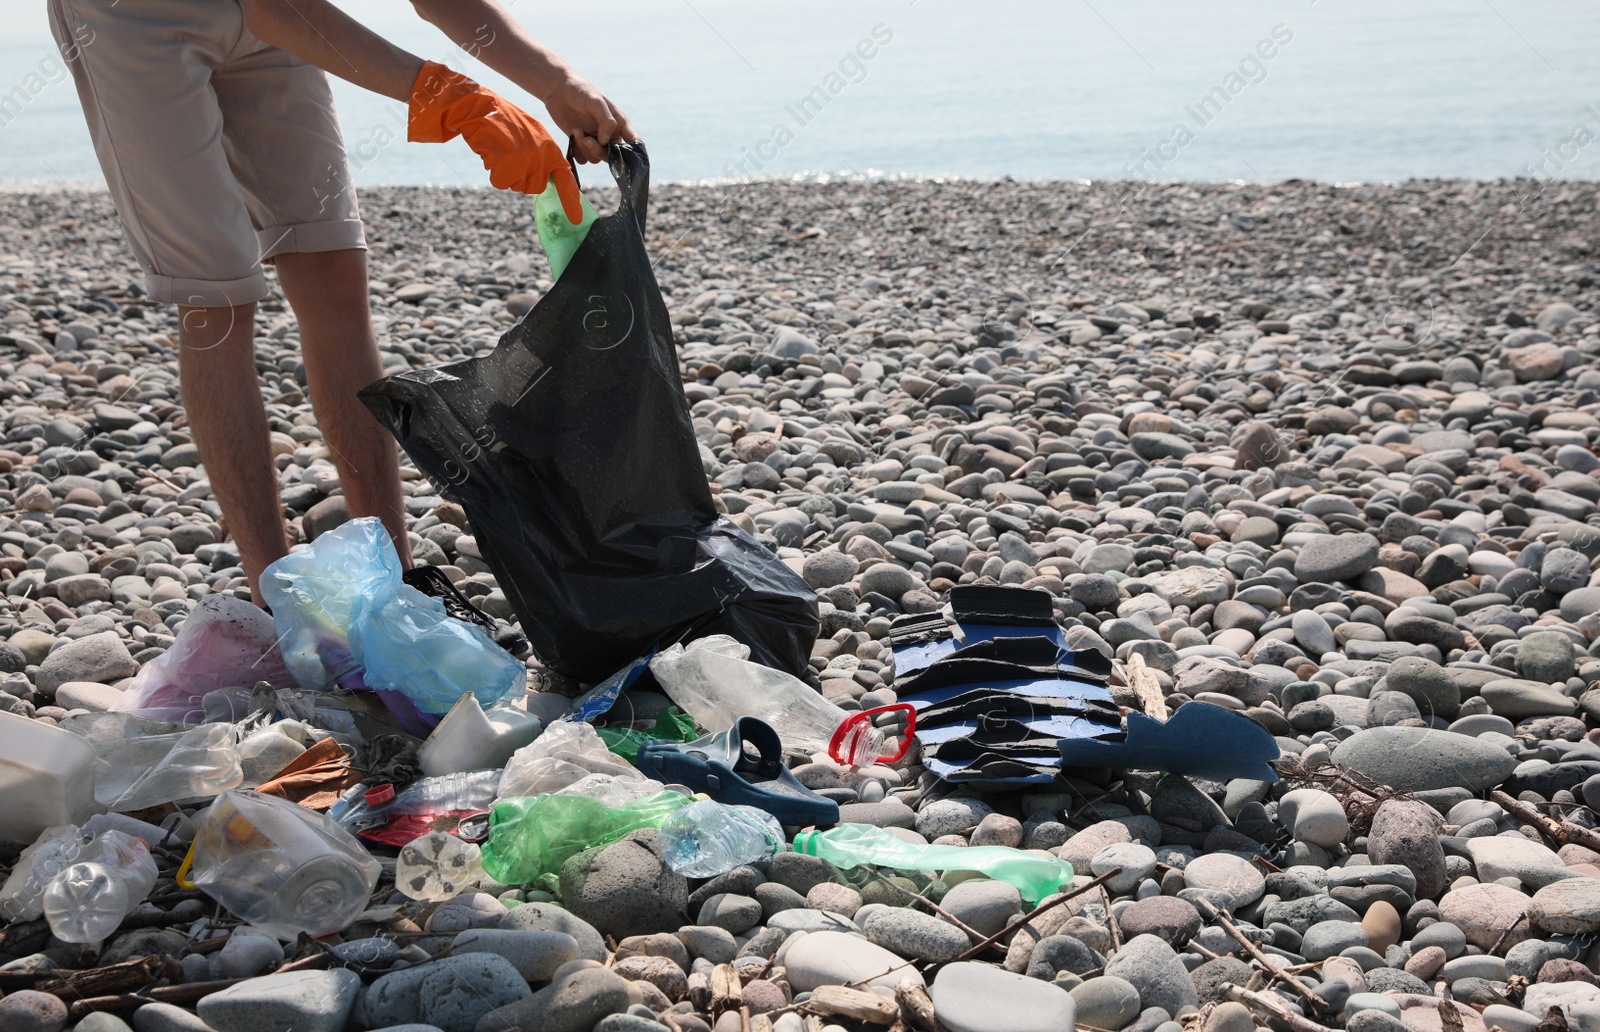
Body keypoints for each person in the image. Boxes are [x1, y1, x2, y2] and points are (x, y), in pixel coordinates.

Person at [46, 0, 636, 604]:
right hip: (136, 17)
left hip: (272, 20)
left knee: (332, 270)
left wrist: (555, 79)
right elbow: (279, 10)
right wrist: (451, 97)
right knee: (217, 299)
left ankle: (393, 577)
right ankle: (274, 596)